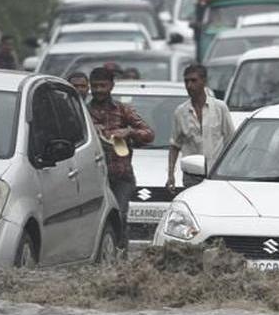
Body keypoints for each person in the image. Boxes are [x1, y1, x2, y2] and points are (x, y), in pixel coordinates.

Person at [87, 67, 153, 244]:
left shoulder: (123, 110)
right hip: (92, 177)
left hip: (121, 176)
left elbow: (148, 134)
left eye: (103, 85)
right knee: (93, 222)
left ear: (111, 86)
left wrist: (129, 132)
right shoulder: (83, 112)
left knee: (119, 216)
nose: (99, 90)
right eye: (95, 86)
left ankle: (120, 256)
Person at [167, 64, 235, 190]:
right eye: (186, 81)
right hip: (191, 176)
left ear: (204, 81)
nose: (189, 86)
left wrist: (230, 170)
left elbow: (231, 141)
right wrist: (170, 175)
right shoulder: (180, 112)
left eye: (193, 80)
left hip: (216, 174)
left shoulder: (220, 108)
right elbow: (175, 145)